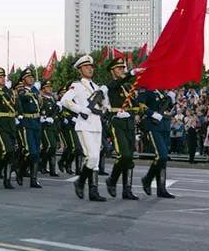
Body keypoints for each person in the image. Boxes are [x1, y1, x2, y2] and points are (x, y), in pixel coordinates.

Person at [60, 55, 108, 202]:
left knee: (95, 159)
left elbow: (105, 105)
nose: (90, 69)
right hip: (84, 125)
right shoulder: (77, 86)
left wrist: (105, 108)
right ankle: (80, 182)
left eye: (91, 66)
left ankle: (93, 191)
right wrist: (81, 109)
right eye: (86, 67)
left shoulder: (97, 87)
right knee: (92, 157)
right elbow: (64, 100)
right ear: (80, 70)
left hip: (96, 125)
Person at [104, 58, 140, 200]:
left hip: (129, 123)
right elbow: (115, 84)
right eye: (119, 69)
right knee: (123, 155)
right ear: (112, 71)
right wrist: (131, 73)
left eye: (123, 68)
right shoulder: (110, 85)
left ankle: (127, 190)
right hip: (117, 123)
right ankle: (112, 180)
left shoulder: (127, 87)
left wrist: (135, 111)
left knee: (129, 158)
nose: (122, 71)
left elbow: (135, 104)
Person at [138, 89, 175, 198]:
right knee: (161, 156)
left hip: (165, 126)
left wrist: (171, 99)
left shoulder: (164, 92)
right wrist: (152, 113)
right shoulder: (146, 90)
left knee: (163, 159)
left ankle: (161, 189)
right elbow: (140, 105)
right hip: (154, 126)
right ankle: (147, 179)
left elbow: (168, 108)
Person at [16, 68, 42, 187]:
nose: (31, 78)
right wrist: (32, 92)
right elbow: (23, 98)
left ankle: (33, 179)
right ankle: (20, 172)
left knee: (36, 152)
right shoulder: (22, 91)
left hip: (36, 122)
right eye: (28, 77)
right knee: (30, 152)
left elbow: (40, 104)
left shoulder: (35, 90)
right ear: (23, 80)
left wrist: (35, 91)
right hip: (27, 123)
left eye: (32, 76)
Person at [39, 80, 60, 178]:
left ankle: (52, 170)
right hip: (45, 126)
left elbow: (55, 111)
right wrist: (44, 117)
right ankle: (42, 164)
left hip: (53, 126)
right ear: (43, 89)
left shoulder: (52, 99)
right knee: (50, 146)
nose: (50, 88)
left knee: (53, 147)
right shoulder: (41, 99)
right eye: (47, 87)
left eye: (50, 87)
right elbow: (39, 110)